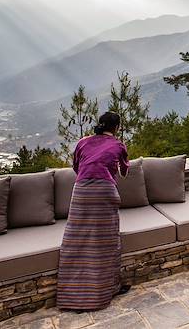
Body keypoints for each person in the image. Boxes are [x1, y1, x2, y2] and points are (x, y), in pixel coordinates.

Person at [57, 111, 131, 312]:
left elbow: (76, 167)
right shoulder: (118, 145)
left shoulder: (82, 142)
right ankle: (108, 290)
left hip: (80, 191)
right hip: (104, 193)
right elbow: (125, 171)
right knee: (106, 243)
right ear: (116, 128)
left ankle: (73, 296)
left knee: (76, 242)